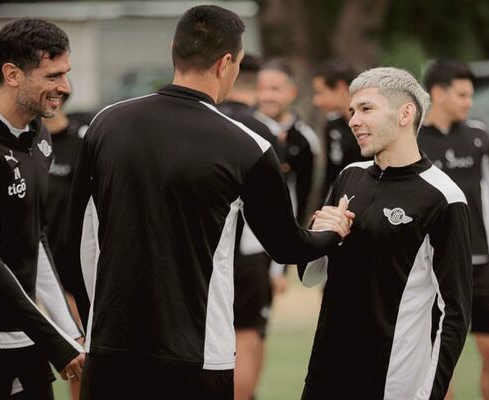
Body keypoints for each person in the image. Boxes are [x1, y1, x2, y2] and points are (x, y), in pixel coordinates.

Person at [60, 5, 353, 400]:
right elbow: (287, 247)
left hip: (110, 350)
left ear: (173, 48)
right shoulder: (247, 146)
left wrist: (94, 324)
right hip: (196, 357)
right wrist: (330, 233)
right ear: (226, 62)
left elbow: (73, 239)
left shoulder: (105, 124)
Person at [298, 67, 472, 399]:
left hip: (392, 383)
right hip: (324, 375)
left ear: (406, 113)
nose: (353, 121)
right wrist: (318, 233)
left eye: (366, 109)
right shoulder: (349, 176)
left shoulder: (444, 198)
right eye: (352, 111)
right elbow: (309, 276)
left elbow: (455, 312)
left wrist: (430, 394)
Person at [0, 18, 85, 399]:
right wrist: (56, 343)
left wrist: (69, 329)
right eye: (52, 76)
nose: (65, 88)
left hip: (21, 329)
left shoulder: (39, 135)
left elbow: (35, 238)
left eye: (66, 74)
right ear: (12, 73)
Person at [419, 59, 489, 400]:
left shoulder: (479, 137)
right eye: (462, 94)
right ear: (437, 93)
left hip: (481, 266)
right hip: (435, 271)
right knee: (439, 361)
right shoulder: (413, 140)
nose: (468, 102)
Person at [217, 53, 281, 400]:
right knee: (247, 334)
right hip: (249, 252)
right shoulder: (265, 130)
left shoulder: (205, 119)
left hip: (204, 249)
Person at [43, 92, 91, 400]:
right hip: (29, 273)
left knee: (80, 358)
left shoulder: (82, 143)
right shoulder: (23, 144)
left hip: (71, 275)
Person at [257, 57, 321, 225]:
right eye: (261, 89)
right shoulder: (242, 128)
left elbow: (306, 193)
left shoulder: (304, 138)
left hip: (285, 231)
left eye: (274, 89)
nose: (266, 96)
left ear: (292, 92)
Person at [311, 58, 370, 202]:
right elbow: (331, 174)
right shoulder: (333, 125)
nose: (316, 101)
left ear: (340, 86)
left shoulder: (372, 124)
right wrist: (321, 208)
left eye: (320, 93)